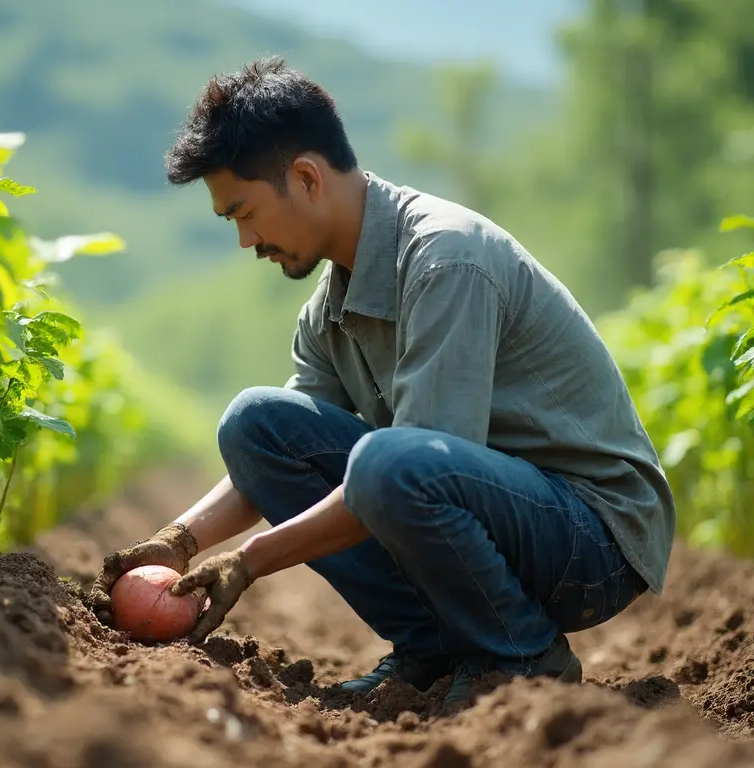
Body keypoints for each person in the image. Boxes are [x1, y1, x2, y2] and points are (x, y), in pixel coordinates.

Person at [88, 56, 676, 712]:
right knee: (256, 424)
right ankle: (434, 651)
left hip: (591, 537)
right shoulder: (328, 308)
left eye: (245, 212)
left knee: (387, 461)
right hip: (502, 518)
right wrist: (179, 541)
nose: (245, 239)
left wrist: (251, 560)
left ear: (306, 178)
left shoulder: (445, 259)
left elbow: (405, 465)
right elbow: (274, 459)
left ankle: (520, 655)